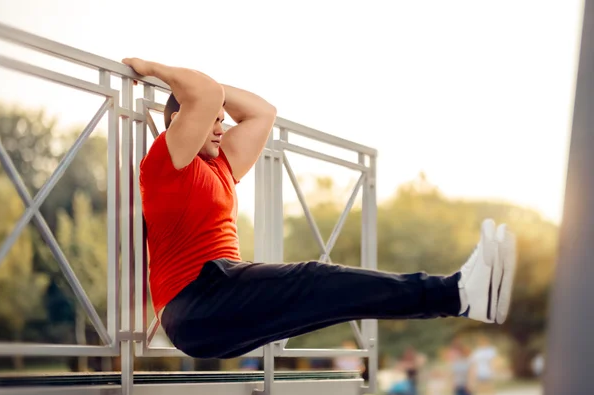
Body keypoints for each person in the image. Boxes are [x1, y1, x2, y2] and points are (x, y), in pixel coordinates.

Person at [122, 57, 517, 360]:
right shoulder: (166, 164)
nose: (221, 128)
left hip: (221, 300)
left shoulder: (221, 165)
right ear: (178, 122)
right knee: (317, 278)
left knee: (333, 294)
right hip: (195, 303)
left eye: (222, 120)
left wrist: (213, 96)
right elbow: (203, 95)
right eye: (212, 122)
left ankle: (461, 297)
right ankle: (458, 292)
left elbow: (263, 112)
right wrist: (155, 69)